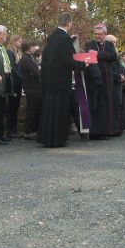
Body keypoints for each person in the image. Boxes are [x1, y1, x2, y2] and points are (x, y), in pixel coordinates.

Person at [38, 13, 87, 147]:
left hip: (49, 80)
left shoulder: (52, 37)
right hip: (60, 81)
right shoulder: (64, 39)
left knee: (50, 110)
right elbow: (67, 61)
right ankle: (57, 139)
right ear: (69, 23)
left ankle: (47, 138)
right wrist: (83, 65)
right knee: (60, 111)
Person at [85, 24, 121, 139]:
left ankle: (109, 130)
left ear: (104, 34)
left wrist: (97, 54)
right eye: (95, 34)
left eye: (99, 34)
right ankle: (96, 132)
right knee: (97, 106)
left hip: (108, 81)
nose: (97, 36)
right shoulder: (90, 44)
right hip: (95, 80)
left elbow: (113, 57)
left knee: (109, 105)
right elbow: (88, 58)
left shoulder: (109, 44)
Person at [20, 39, 41, 140]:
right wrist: (40, 70)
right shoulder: (25, 59)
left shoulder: (30, 57)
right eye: (32, 47)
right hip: (30, 86)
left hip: (35, 86)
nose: (34, 48)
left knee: (35, 108)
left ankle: (34, 129)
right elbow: (35, 71)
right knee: (31, 109)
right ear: (28, 48)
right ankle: (28, 131)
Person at [6, 34, 23, 138]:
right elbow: (12, 68)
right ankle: (10, 129)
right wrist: (21, 77)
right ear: (14, 41)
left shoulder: (18, 52)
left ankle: (14, 129)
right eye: (19, 41)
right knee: (11, 106)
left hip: (18, 83)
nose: (21, 43)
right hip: (14, 82)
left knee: (15, 106)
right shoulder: (10, 52)